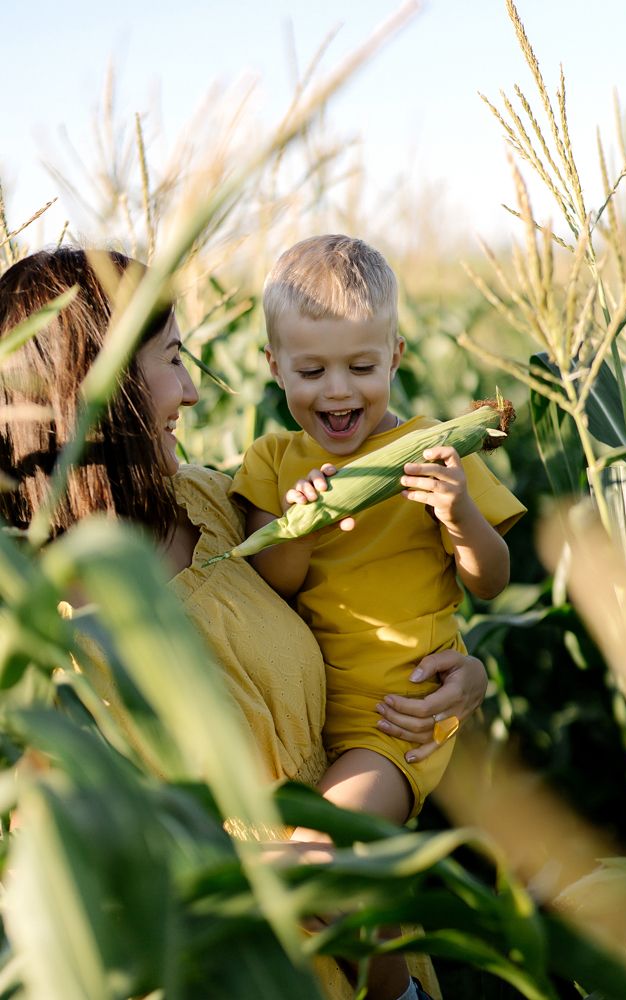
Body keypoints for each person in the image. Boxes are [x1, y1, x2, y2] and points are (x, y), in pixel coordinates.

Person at [0, 247, 491, 1000]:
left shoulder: (218, 507)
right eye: (173, 360)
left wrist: (470, 673)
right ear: (100, 387)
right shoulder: (31, 638)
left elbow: (371, 604)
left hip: (373, 942)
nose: (193, 391)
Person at [231, 234, 526, 832]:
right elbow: (274, 584)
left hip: (395, 720)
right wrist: (301, 525)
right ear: (274, 366)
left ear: (395, 356)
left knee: (317, 850)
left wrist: (460, 516)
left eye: (361, 368)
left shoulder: (435, 453)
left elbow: (491, 581)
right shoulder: (271, 460)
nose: (338, 389)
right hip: (298, 719)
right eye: (311, 371)